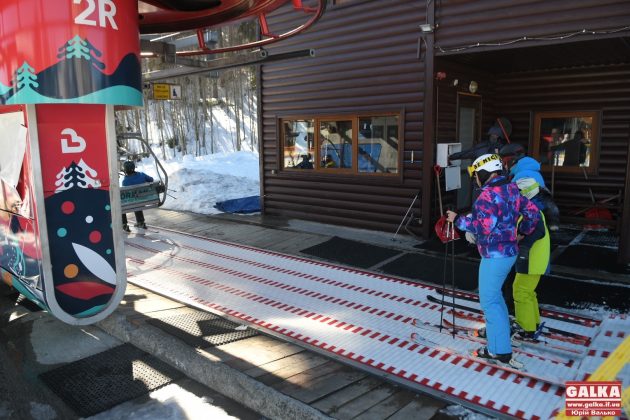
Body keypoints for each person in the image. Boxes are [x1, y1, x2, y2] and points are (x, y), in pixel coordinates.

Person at [446, 154, 540, 367]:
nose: (475, 179)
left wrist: (458, 220)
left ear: (484, 173)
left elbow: (483, 227)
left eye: (476, 175)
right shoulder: (511, 188)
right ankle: (500, 340)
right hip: (509, 253)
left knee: (489, 301)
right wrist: (522, 232)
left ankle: (498, 351)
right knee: (495, 299)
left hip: (494, 256)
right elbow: (532, 212)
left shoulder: (488, 196)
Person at [500, 143, 560, 231]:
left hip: (532, 220)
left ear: (512, 161)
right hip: (545, 216)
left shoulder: (522, 175)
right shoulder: (531, 170)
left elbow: (515, 200)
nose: (504, 166)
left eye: (505, 162)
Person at [121, 160, 153, 232]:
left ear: (125, 170)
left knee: (121, 205)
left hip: (133, 203)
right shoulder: (142, 175)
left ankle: (124, 224)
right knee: (137, 201)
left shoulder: (125, 181)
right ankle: (141, 222)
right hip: (144, 200)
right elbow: (151, 179)